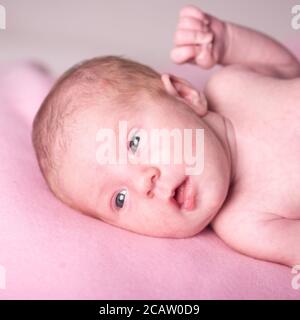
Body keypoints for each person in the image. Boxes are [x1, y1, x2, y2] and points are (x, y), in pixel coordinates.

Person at [32, 5, 300, 266]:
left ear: (185, 95)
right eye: (119, 199)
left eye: (134, 142)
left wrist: (227, 41)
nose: (142, 183)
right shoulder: (245, 224)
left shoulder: (231, 86)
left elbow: (286, 69)